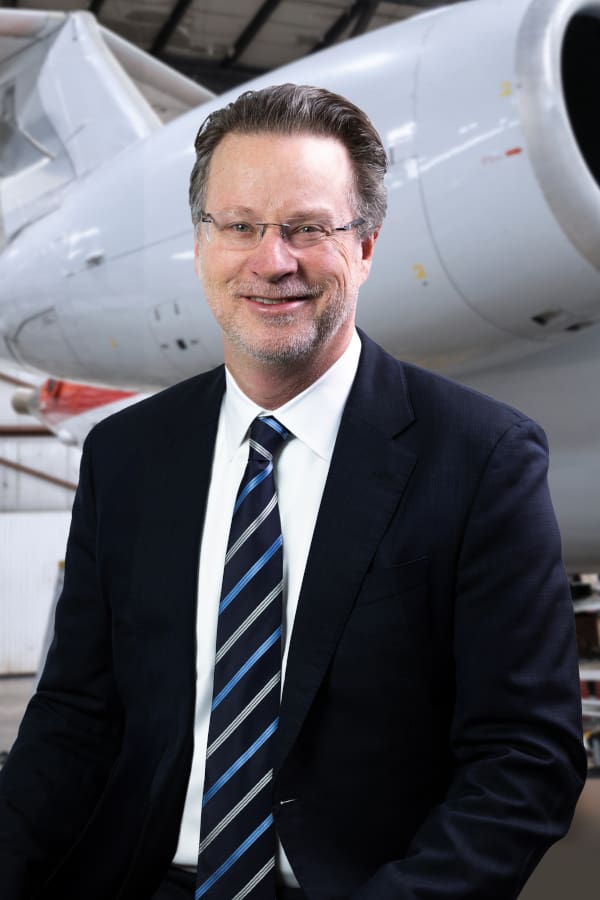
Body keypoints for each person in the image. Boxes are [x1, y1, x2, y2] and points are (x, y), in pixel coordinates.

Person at [0, 84, 586, 900]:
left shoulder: (481, 456)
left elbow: (526, 756)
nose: (272, 261)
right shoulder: (127, 455)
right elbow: (74, 719)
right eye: (239, 226)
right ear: (201, 243)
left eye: (309, 228)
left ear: (368, 244)